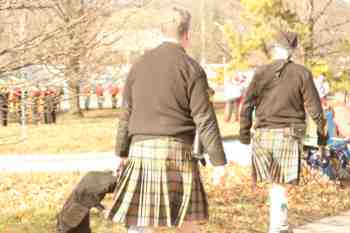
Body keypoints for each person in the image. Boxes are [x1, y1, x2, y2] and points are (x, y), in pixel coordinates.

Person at [106, 7, 227, 233]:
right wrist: (218, 161)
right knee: (186, 220)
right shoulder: (191, 68)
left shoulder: (138, 66)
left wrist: (121, 152)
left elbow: (126, 113)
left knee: (141, 219)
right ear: (187, 35)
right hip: (176, 152)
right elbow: (204, 118)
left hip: (141, 149)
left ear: (160, 31)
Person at [239, 31, 327, 233]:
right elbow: (315, 109)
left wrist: (244, 135)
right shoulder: (302, 73)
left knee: (275, 185)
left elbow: (247, 105)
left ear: (274, 49)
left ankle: (280, 226)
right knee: (279, 185)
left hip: (263, 134)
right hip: (288, 134)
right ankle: (278, 227)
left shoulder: (261, 73)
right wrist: (322, 138)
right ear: (292, 50)